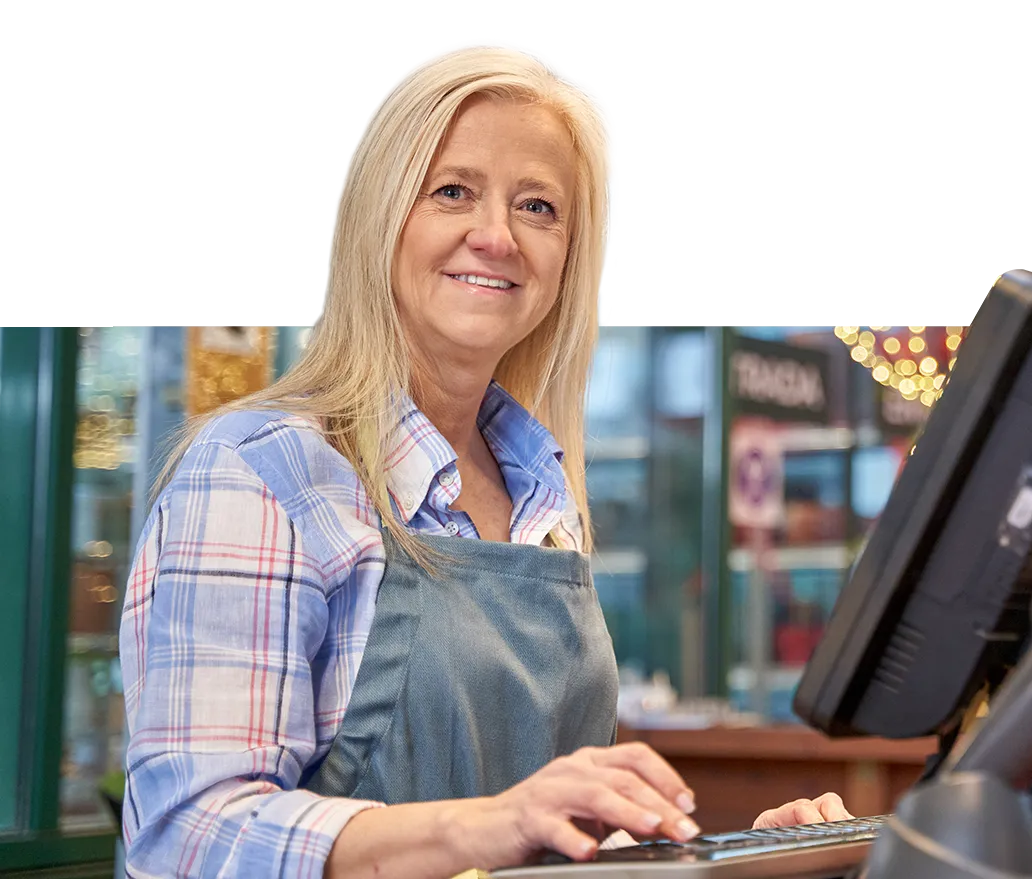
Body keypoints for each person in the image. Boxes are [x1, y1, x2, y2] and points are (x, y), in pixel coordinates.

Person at [119, 39, 851, 879]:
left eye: (538, 206)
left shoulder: (544, 494)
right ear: (379, 219)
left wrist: (735, 853)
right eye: (453, 191)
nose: (497, 236)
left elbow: (545, 840)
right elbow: (188, 836)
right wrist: (480, 827)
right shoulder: (265, 475)